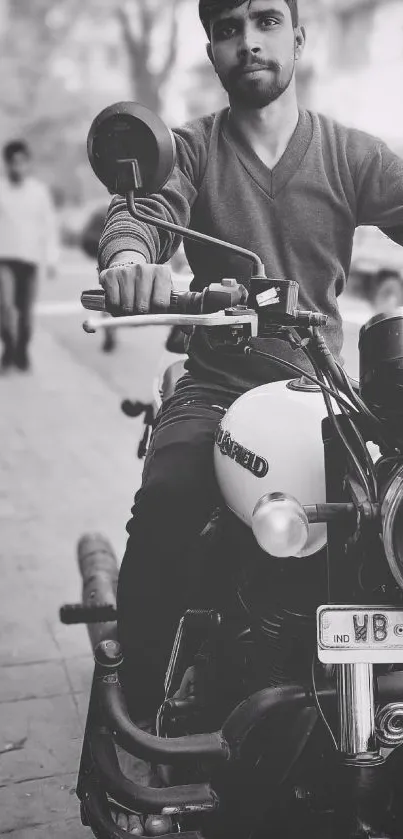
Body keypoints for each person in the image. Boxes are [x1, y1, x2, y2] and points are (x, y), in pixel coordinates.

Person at [98, 0, 403, 749]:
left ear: (297, 37)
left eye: (265, 21)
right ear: (211, 49)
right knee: (168, 499)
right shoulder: (191, 150)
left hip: (323, 387)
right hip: (218, 383)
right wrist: (130, 259)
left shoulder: (349, 154)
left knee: (380, 523)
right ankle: (134, 708)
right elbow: (141, 213)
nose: (248, 41)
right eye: (228, 28)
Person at [0, 140, 59, 371]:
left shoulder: (38, 192)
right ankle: (8, 347)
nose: (18, 168)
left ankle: (22, 349)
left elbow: (49, 225)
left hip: (30, 259)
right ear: (7, 164)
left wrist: (52, 258)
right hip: (4, 257)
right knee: (5, 306)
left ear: (27, 164)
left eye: (22, 163)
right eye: (13, 163)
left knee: (25, 310)